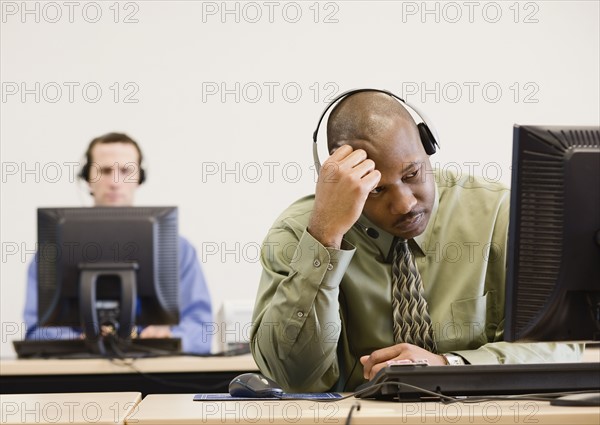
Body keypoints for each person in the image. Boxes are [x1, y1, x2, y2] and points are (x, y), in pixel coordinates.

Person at [250, 90, 582, 393]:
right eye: (377, 189)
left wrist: (449, 366)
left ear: (429, 145)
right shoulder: (298, 234)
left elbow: (563, 349)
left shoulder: (502, 215)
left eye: (412, 174)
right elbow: (292, 377)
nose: (405, 204)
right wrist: (325, 238)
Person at [23, 132, 213, 354]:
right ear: (87, 177)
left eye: (125, 171)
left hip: (156, 372)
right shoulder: (51, 253)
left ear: (139, 178)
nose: (114, 182)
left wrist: (169, 336)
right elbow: (36, 331)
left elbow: (201, 331)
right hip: (79, 375)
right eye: (104, 171)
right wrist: (76, 341)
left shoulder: (178, 251)